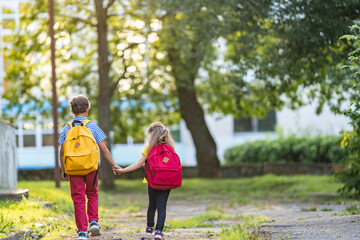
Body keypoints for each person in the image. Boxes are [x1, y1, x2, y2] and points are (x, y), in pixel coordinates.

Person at [58, 95, 121, 240]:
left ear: (72, 111)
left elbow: (62, 151)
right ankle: (93, 221)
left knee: (78, 198)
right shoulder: (92, 126)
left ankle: (82, 232)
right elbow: (103, 149)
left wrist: (64, 170)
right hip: (91, 167)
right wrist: (114, 164)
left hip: (73, 169)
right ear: (87, 109)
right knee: (92, 194)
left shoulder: (67, 128)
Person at [115, 122, 176, 240]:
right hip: (167, 181)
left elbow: (138, 164)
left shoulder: (149, 149)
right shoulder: (170, 148)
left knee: (152, 204)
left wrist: (123, 170)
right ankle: (158, 231)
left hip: (153, 181)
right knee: (162, 205)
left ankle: (149, 229)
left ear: (151, 135)